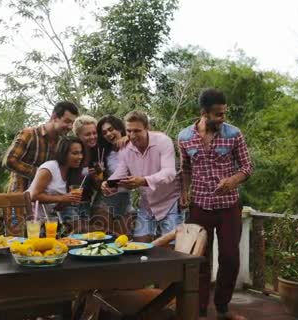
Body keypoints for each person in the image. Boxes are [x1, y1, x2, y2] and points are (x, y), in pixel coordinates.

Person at [177, 88, 252, 320]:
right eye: (218, 114)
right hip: (199, 206)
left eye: (223, 114)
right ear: (204, 113)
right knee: (199, 261)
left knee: (229, 258)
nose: (222, 119)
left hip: (229, 205)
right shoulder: (184, 137)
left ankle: (222, 308)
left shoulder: (234, 134)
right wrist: (184, 192)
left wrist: (232, 181)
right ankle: (198, 310)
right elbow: (185, 169)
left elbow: (247, 167)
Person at [101, 111, 182, 243]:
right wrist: (109, 183)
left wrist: (143, 180)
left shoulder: (163, 141)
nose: (132, 135)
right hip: (147, 203)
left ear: (147, 128)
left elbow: (169, 173)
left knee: (171, 247)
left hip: (169, 202)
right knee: (139, 244)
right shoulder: (125, 148)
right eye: (129, 131)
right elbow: (121, 172)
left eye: (137, 131)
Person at [3, 101, 79, 193]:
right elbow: (9, 160)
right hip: (20, 197)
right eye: (67, 121)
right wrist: (41, 174)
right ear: (54, 117)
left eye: (72, 123)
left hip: (44, 201)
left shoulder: (61, 143)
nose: (70, 126)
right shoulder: (29, 134)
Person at [27, 136, 85, 224]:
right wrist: (63, 198)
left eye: (81, 153)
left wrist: (68, 200)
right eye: (75, 153)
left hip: (47, 219)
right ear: (64, 154)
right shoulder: (49, 168)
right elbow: (33, 196)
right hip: (28, 217)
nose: (80, 156)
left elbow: (57, 207)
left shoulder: (72, 173)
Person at [96, 115, 132, 236]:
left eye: (111, 129)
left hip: (125, 197)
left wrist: (130, 137)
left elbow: (153, 136)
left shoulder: (133, 145)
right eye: (104, 132)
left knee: (123, 237)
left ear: (120, 129)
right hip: (106, 199)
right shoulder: (105, 153)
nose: (108, 134)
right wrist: (102, 182)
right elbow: (102, 178)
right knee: (104, 236)